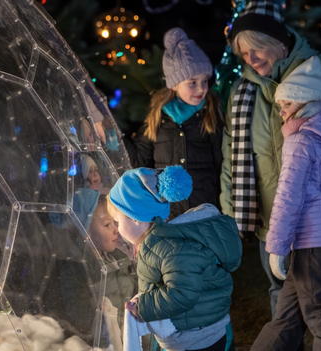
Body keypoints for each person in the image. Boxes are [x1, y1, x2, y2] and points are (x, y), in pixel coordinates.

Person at [221, 0, 321, 321]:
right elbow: (231, 154)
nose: (250, 60)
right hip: (273, 218)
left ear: (278, 42)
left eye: (256, 49)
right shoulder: (241, 90)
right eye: (243, 54)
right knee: (282, 302)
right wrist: (230, 214)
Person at [250, 56, 321, 350]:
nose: (282, 112)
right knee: (287, 320)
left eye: (286, 105)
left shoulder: (301, 140)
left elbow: (288, 196)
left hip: (315, 245)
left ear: (304, 101)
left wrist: (276, 247)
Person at [107, 165, 242, 351]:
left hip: (197, 339)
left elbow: (183, 293)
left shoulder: (169, 248)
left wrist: (144, 307)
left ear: (135, 218)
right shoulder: (161, 243)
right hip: (194, 333)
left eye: (117, 221)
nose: (117, 229)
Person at [124, 27, 224, 220]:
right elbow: (138, 160)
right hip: (168, 213)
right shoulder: (158, 119)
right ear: (175, 84)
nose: (201, 89)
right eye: (192, 82)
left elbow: (222, 164)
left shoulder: (209, 116)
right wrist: (111, 134)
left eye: (204, 81)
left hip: (203, 210)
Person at [60, 188, 136, 347]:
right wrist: (97, 312)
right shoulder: (75, 266)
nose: (116, 229)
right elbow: (74, 307)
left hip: (126, 333)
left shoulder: (119, 257)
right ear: (85, 231)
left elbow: (132, 286)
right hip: (98, 341)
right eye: (107, 224)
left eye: (115, 222)